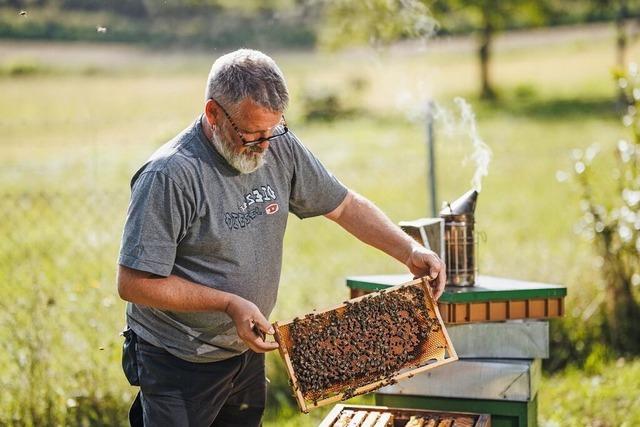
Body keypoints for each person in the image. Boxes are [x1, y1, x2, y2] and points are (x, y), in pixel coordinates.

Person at [117, 48, 446, 427]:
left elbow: (344, 205)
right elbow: (134, 282)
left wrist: (409, 249)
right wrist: (229, 304)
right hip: (178, 360)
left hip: (244, 351)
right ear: (213, 113)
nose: (265, 145)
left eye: (273, 130)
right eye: (251, 134)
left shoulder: (279, 144)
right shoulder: (170, 175)